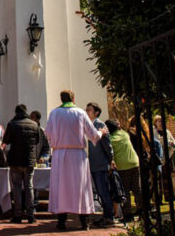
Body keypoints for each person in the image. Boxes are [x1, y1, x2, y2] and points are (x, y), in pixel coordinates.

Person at [46, 90, 107, 231]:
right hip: (77, 155)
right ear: (73, 99)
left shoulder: (54, 113)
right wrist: (101, 133)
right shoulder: (80, 112)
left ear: (61, 99)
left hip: (60, 154)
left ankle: (61, 221)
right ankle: (84, 221)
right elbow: (92, 134)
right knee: (80, 187)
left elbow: (48, 134)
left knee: (62, 187)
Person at [2, 104, 40, 224]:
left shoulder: (12, 124)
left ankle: (17, 214)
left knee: (16, 187)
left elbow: (6, 140)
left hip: (15, 159)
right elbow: (37, 140)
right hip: (29, 160)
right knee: (29, 186)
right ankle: (30, 215)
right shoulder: (34, 124)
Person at [106, 119, 142, 222]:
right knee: (137, 188)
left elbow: (109, 152)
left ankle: (128, 214)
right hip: (134, 162)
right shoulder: (125, 134)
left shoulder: (111, 139)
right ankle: (142, 210)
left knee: (125, 190)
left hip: (123, 166)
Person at [85, 102, 115, 227]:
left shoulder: (100, 125)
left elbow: (107, 145)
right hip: (92, 164)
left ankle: (109, 217)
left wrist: (110, 159)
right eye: (86, 109)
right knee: (99, 191)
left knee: (103, 191)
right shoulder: (88, 125)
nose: (86, 112)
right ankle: (106, 215)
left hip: (100, 163)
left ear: (96, 112)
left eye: (89, 110)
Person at [153, 115, 175, 203]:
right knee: (158, 180)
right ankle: (158, 199)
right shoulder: (153, 132)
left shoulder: (167, 132)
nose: (160, 123)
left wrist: (171, 144)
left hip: (167, 158)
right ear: (155, 123)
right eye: (158, 121)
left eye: (162, 121)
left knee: (167, 179)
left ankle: (169, 197)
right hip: (157, 158)